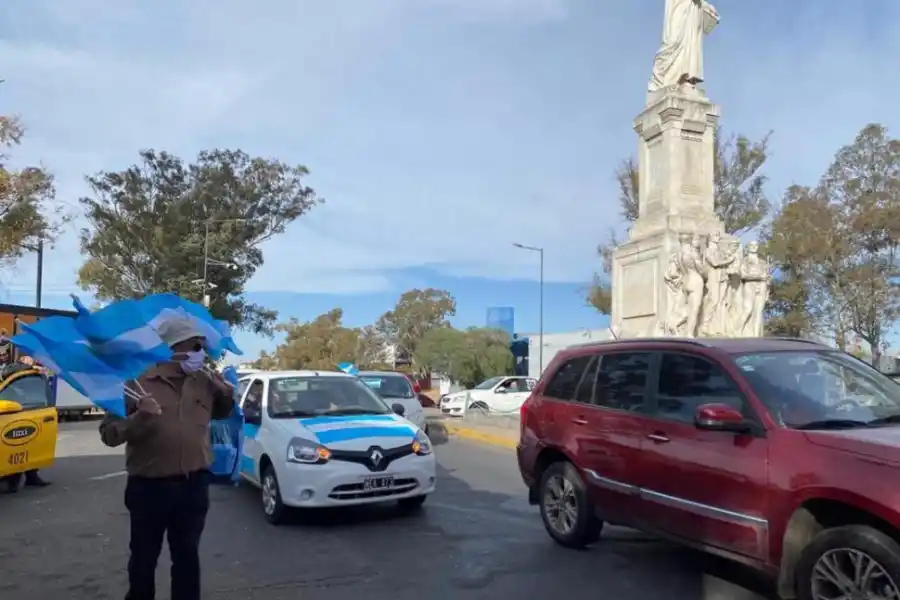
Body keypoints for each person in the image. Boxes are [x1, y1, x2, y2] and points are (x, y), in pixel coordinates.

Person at [99, 318, 234, 600]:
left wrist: (226, 396)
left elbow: (219, 414)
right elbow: (110, 434)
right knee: (144, 560)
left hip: (194, 485)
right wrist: (140, 417)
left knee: (187, 558)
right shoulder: (136, 381)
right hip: (149, 488)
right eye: (195, 346)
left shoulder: (204, 381)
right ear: (173, 347)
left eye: (202, 347)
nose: (201, 353)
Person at [1, 354, 50, 493]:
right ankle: (11, 479)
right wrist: (28, 365)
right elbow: (7, 372)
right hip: (11, 412)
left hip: (27, 411)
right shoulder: (14, 369)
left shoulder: (30, 373)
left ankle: (31, 476)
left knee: (28, 446)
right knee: (14, 448)